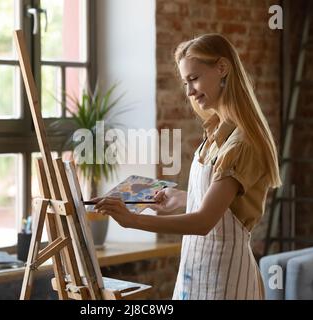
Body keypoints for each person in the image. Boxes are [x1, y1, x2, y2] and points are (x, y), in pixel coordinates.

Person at [93, 34, 281, 300]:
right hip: (197, 269)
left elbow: (205, 221)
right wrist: (183, 199)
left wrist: (132, 219)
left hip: (225, 278)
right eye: (185, 83)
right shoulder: (216, 132)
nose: (189, 91)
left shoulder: (242, 143)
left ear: (222, 69)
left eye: (194, 78)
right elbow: (220, 204)